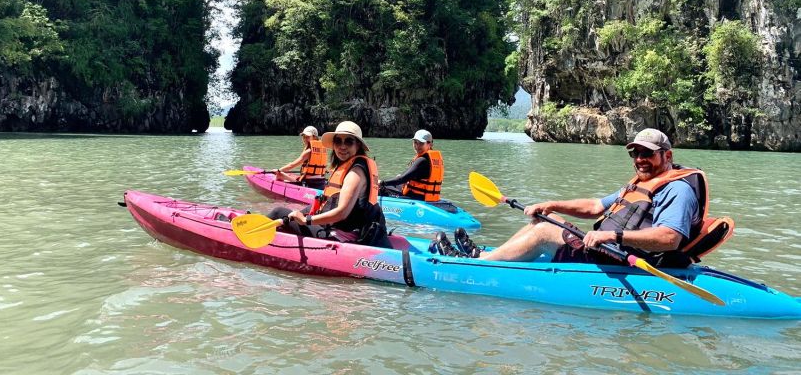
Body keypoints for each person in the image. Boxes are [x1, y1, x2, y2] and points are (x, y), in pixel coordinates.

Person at [434, 128, 712, 268]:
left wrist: (611, 237)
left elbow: (669, 238)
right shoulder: (643, 182)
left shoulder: (678, 189)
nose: (640, 159)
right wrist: (551, 204)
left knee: (544, 231)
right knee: (546, 218)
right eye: (635, 154)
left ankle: (481, 265)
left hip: (622, 258)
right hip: (606, 249)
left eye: (647, 154)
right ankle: (485, 255)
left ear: (667, 156)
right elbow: (594, 207)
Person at [267, 121, 392, 248]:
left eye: (349, 141)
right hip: (341, 229)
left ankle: (252, 239)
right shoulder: (348, 166)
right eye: (338, 141)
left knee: (278, 212)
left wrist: (306, 220)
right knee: (287, 214)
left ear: (358, 145)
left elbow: (341, 213)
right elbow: (328, 203)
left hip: (341, 237)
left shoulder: (356, 172)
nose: (342, 146)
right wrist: (299, 213)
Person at [379, 129, 444, 202]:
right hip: (426, 196)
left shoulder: (422, 160)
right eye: (415, 142)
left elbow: (402, 178)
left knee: (380, 188)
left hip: (415, 197)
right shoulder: (431, 159)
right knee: (394, 184)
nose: (417, 146)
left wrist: (382, 183)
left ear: (430, 144)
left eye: (421, 143)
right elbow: (408, 176)